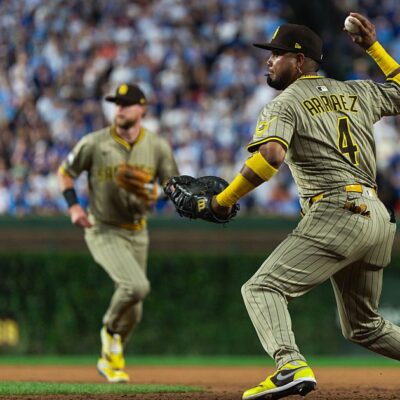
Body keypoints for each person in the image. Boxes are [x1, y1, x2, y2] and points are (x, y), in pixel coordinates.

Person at [208, 12, 400, 400]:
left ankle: (289, 365)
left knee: (262, 287)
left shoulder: (285, 103)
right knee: (363, 326)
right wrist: (374, 48)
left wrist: (221, 202)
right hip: (377, 217)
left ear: (298, 60)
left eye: (277, 53)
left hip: (336, 208)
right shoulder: (357, 91)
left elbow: (270, 157)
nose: (269, 60)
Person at [57, 83, 179, 383]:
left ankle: (109, 360)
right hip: (103, 228)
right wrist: (74, 207)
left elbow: (174, 188)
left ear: (143, 109)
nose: (120, 108)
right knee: (136, 287)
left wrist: (157, 193)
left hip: (138, 231)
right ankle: (109, 330)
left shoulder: (157, 146)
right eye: (116, 103)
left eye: (126, 103)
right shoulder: (94, 143)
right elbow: (65, 173)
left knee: (134, 312)